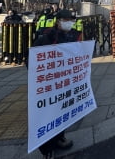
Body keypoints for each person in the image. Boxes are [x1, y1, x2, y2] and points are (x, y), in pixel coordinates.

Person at [32, 9, 81, 158]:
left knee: (62, 111)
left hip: (65, 81)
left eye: (71, 20)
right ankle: (48, 149)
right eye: (66, 20)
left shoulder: (73, 35)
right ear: (58, 21)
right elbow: (34, 58)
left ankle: (60, 137)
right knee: (48, 114)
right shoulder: (47, 36)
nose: (69, 23)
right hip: (49, 83)